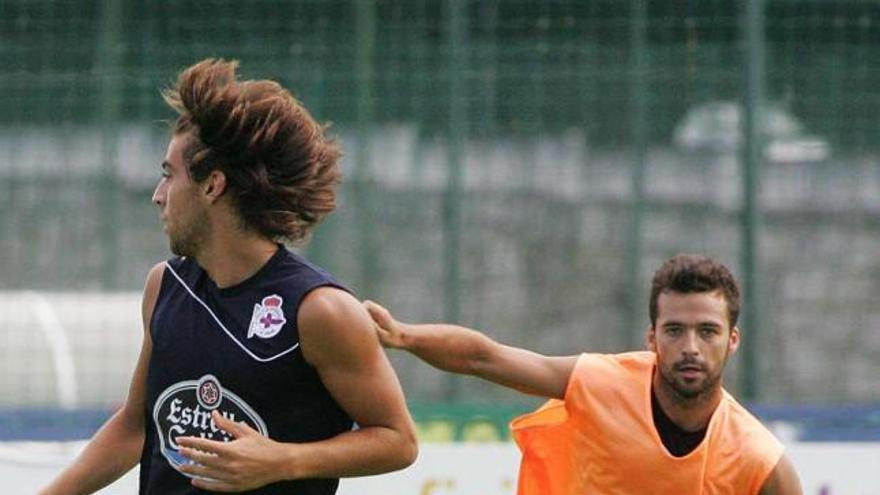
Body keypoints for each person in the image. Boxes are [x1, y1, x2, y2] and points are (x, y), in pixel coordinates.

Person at [40, 59, 417, 495]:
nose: (157, 195)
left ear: (212, 185)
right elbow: (134, 425)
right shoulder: (165, 285)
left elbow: (398, 440)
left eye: (169, 175)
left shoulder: (319, 310)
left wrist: (285, 460)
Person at [365, 254, 802, 495]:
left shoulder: (758, 461)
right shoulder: (601, 382)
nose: (690, 347)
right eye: (675, 330)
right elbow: (486, 357)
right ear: (652, 337)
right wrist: (403, 336)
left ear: (733, 340)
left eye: (707, 331)